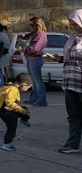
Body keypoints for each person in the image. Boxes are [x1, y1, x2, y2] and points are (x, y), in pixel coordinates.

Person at [55, 10, 82, 154]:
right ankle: (72, 145)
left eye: (76, 24)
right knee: (73, 116)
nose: (74, 27)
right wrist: (59, 58)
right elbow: (69, 58)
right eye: (72, 25)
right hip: (70, 83)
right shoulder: (72, 38)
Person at [0, 72, 33, 151]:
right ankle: (6, 144)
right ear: (24, 84)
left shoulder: (13, 87)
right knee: (12, 126)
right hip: (3, 110)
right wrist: (21, 110)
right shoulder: (12, 89)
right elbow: (10, 103)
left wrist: (21, 110)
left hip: (5, 108)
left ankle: (24, 120)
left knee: (24, 109)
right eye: (28, 87)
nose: (28, 89)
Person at [18, 16, 48, 106]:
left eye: (32, 25)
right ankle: (33, 100)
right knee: (34, 82)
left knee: (38, 82)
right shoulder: (35, 33)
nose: (30, 26)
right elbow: (29, 36)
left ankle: (42, 101)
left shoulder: (41, 34)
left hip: (35, 60)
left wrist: (24, 49)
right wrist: (23, 35)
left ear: (37, 25)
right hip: (31, 59)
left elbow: (35, 48)